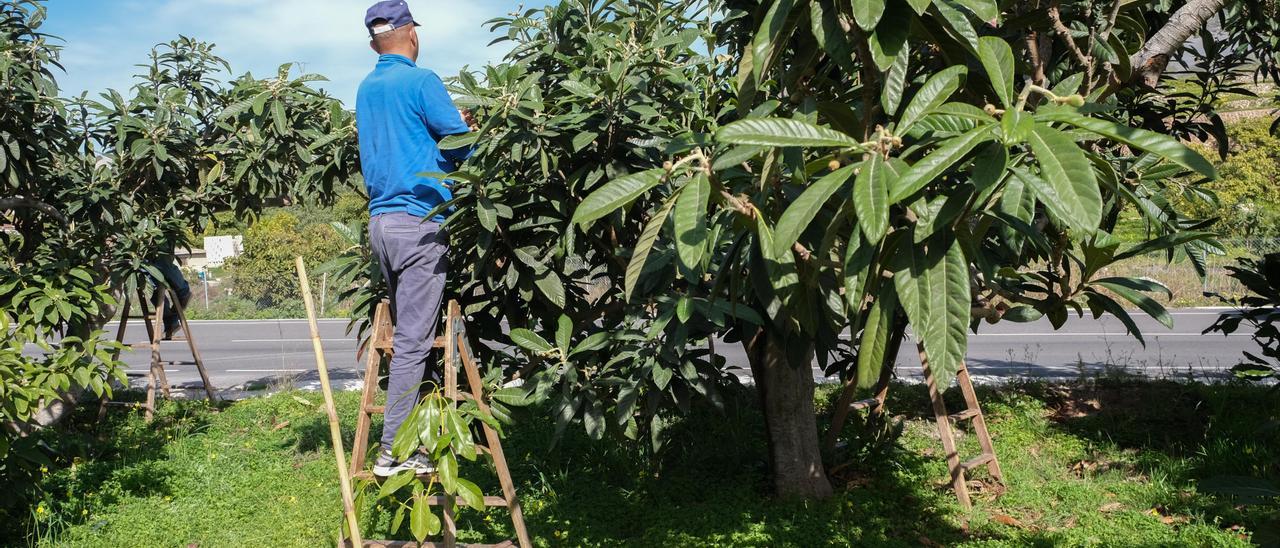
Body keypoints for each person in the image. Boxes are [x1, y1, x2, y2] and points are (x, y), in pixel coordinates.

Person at [356, 0, 475, 477]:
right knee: (412, 342)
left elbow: (407, 139)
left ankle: (409, 436)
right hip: (420, 224)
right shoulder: (422, 81)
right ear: (412, 34)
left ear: (373, 43)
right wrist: (475, 134)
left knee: (409, 333)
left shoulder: (367, 88)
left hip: (381, 227)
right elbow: (461, 145)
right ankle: (395, 452)